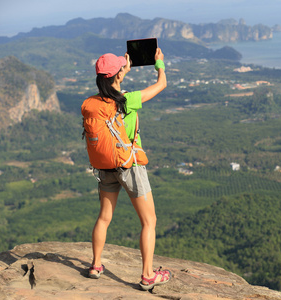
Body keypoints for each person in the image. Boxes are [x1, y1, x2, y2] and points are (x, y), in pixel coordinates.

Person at [87, 48, 171, 291]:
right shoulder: (128, 100)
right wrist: (159, 64)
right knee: (149, 221)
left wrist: (123, 69)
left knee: (104, 217)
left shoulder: (96, 103)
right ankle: (147, 275)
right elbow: (161, 84)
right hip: (130, 166)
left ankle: (95, 265)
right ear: (118, 75)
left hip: (105, 166)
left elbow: (113, 85)